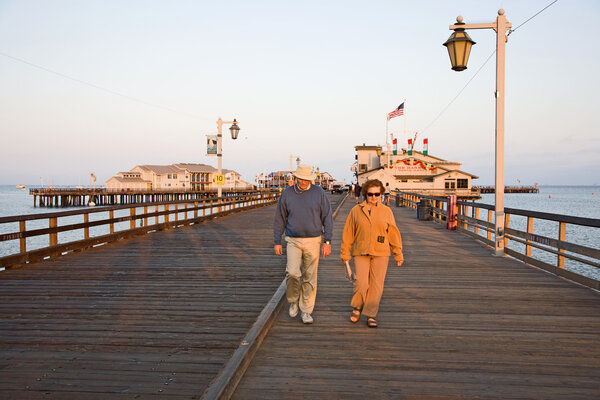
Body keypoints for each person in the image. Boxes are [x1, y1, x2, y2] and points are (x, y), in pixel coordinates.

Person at [274, 165, 333, 324]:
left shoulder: (318, 192)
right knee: (292, 273)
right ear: (295, 177)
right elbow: (280, 217)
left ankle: (306, 310)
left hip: (313, 240)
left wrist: (327, 241)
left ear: (311, 179)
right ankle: (293, 301)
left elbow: (327, 216)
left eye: (306, 179)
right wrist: (276, 241)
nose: (303, 182)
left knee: (310, 278)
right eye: (300, 178)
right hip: (292, 239)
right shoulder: (287, 193)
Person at [340, 179, 403, 328]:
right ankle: (357, 306)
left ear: (381, 194)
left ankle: (371, 314)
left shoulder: (386, 211)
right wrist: (345, 253)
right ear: (365, 194)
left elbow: (393, 233)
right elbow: (348, 233)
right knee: (361, 283)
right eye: (371, 194)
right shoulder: (356, 211)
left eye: (377, 194)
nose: (374, 197)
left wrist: (398, 253)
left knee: (376, 285)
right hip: (360, 251)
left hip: (381, 251)